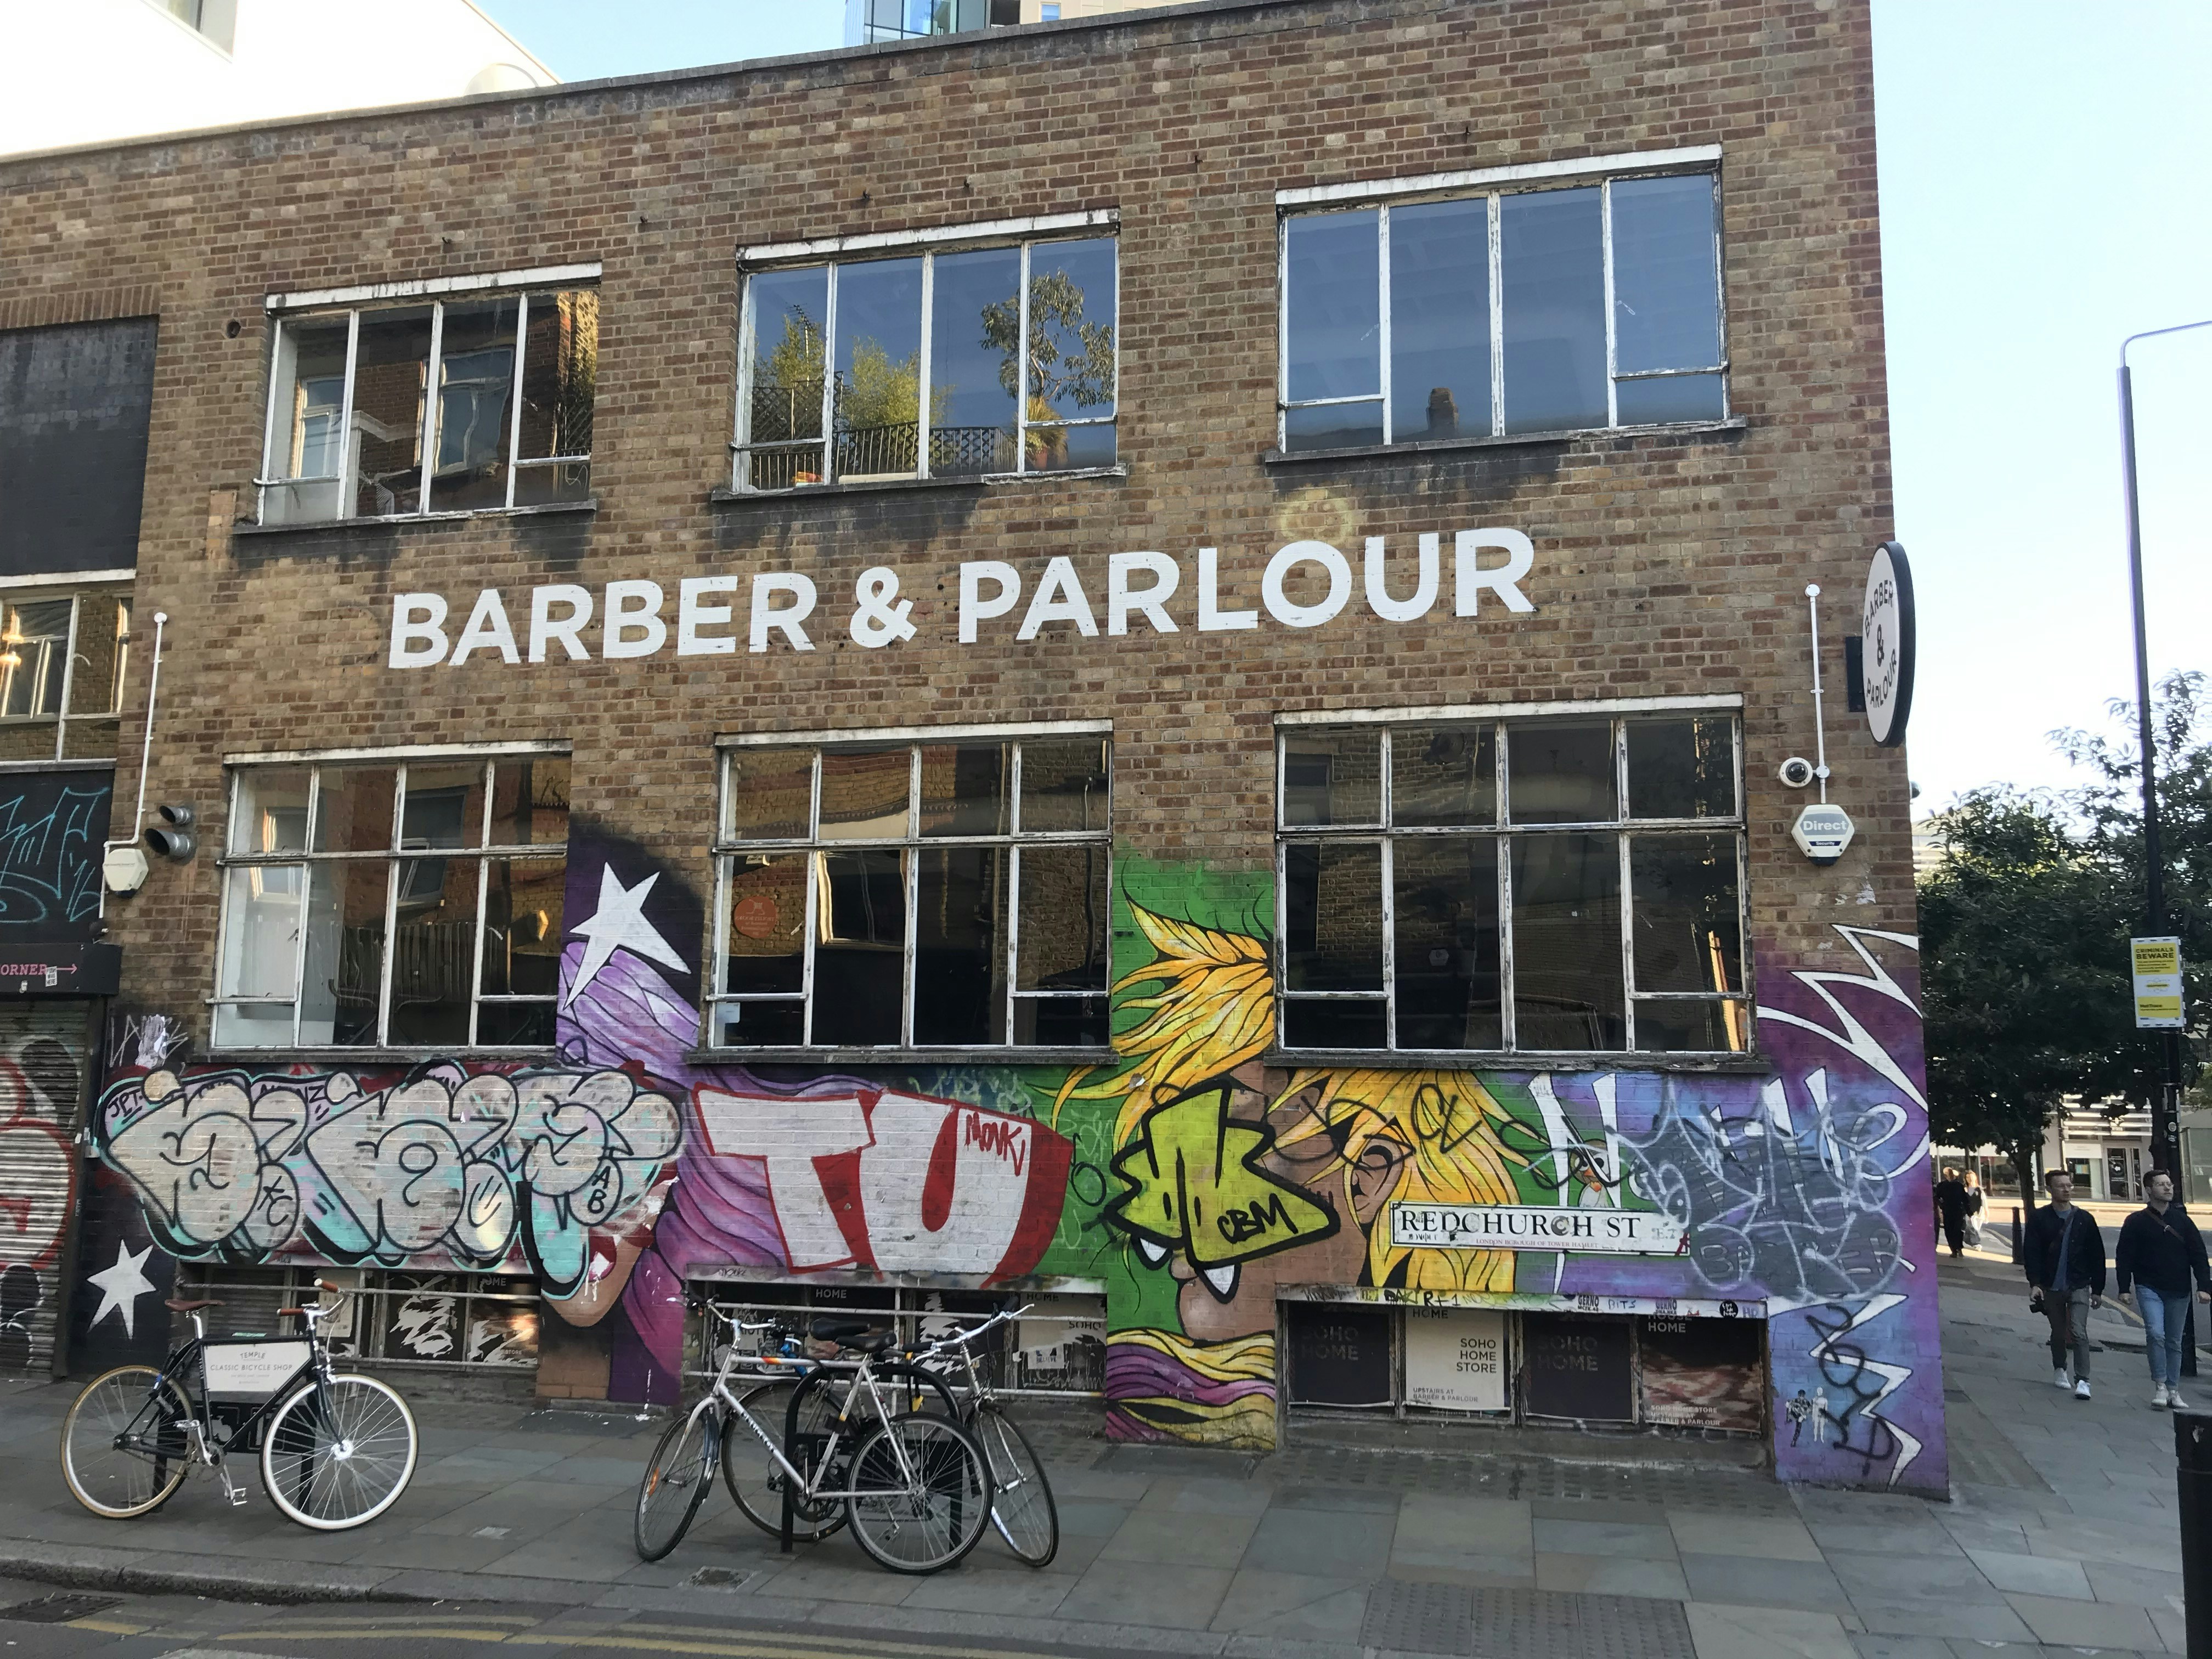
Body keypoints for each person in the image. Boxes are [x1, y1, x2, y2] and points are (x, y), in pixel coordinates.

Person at [2115, 1168, 2211, 1409]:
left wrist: (2204, 1286)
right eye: (2161, 1184)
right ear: (2149, 1190)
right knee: (2156, 1334)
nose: (2168, 1188)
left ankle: (2174, 1390)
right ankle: (2159, 1386)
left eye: (2169, 1184)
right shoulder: (2136, 1222)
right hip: (2149, 1287)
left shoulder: (2183, 1221)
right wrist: (2124, 1288)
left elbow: (2199, 1254)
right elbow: (2124, 1256)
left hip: (2179, 1290)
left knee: (2174, 1342)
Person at [2022, 1168, 2104, 1399]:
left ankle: (2084, 1380)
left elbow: (2097, 1255)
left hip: (2079, 1283)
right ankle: (2060, 1369)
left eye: (2069, 1185)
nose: (2066, 1189)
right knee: (2058, 1332)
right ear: (2049, 1189)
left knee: (2078, 1331)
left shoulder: (2084, 1219)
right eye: (2061, 1186)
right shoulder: (2040, 1218)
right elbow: (2032, 1253)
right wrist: (2035, 1283)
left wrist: (2097, 1289)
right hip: (2051, 1285)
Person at [1936, 1166, 1969, 1257]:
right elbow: (1965, 1199)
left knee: (1953, 1230)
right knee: (1954, 1230)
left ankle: (1956, 1249)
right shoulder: (1957, 1185)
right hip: (1953, 1210)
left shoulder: (1944, 1186)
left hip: (1952, 1210)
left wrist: (1941, 1204)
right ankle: (1956, 1249)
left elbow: (1937, 1197)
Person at [1961, 1169, 1985, 1250]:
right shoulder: (1965, 1189)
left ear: (1975, 1178)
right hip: (1968, 1212)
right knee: (1971, 1226)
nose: (1969, 1179)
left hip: (1977, 1212)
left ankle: (1967, 1239)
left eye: (1971, 1177)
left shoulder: (1979, 1189)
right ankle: (1977, 1243)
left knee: (1972, 1227)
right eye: (1967, 1177)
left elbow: (1984, 1201)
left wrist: (1987, 1212)